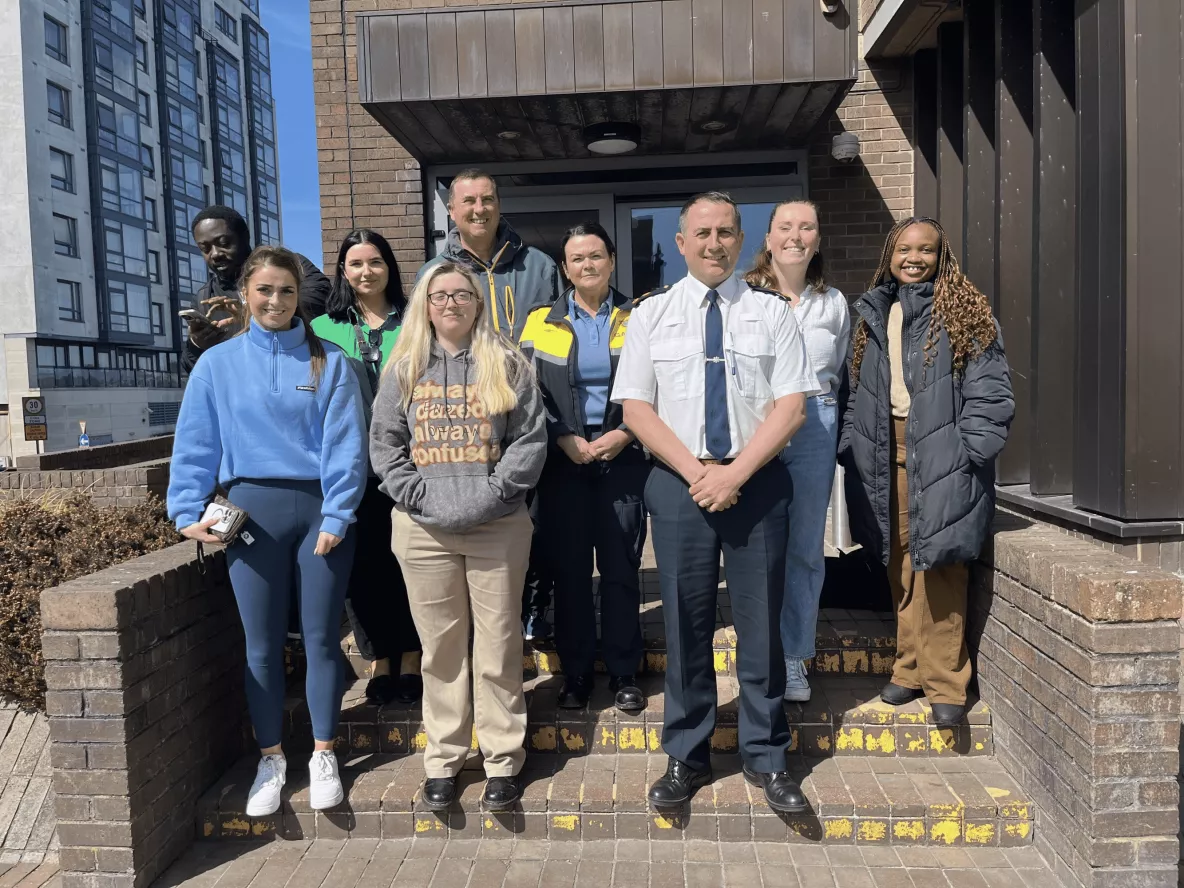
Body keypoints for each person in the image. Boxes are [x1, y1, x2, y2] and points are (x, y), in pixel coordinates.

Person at [612, 192, 818, 814]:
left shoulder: (772, 313)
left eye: (725, 232)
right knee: (685, 624)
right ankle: (687, 754)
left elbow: (792, 407)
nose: (713, 243)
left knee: (760, 628)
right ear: (680, 243)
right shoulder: (651, 315)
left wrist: (735, 474)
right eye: (700, 233)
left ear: (739, 238)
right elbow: (636, 409)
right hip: (680, 485)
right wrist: (699, 472)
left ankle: (767, 755)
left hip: (756, 483)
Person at [167, 246, 367, 818]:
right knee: (260, 643)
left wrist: (339, 514)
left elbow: (346, 447)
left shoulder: (328, 360)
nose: (275, 301)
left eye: (285, 291)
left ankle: (324, 754)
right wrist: (185, 511)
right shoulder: (218, 365)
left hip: (321, 513)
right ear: (245, 295)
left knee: (323, 637)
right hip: (251, 511)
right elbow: (196, 443)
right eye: (265, 290)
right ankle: (272, 758)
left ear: (297, 296)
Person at [370, 261, 547, 813]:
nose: (450, 303)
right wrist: (423, 499)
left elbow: (529, 442)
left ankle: (501, 760)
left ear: (478, 301)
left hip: (497, 527)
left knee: (498, 646)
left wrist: (488, 497)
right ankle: (443, 759)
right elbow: (385, 447)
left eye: (462, 294)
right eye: (439, 295)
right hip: (423, 531)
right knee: (441, 650)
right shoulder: (403, 367)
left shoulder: (507, 362)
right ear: (425, 304)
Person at [839, 216, 1013, 727]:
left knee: (941, 565)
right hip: (883, 452)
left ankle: (946, 683)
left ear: (943, 258)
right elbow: (855, 393)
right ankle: (910, 667)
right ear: (889, 256)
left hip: (943, 453)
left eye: (926, 250)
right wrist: (851, 443)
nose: (914, 258)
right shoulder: (874, 312)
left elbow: (992, 394)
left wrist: (968, 452)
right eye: (904, 249)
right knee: (900, 564)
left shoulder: (967, 314)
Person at [416, 169, 561, 642]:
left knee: (534, 525)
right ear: (452, 212)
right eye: (469, 201)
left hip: (527, 420)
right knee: (483, 527)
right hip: (463, 427)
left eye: (488, 199)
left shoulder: (538, 266)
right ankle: (493, 625)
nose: (479, 209)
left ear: (499, 204)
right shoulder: (434, 274)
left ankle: (535, 614)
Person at [519, 222, 650, 713]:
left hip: (623, 458)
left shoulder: (639, 316)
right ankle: (575, 674)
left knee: (620, 569)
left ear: (611, 260)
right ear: (564, 268)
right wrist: (561, 437)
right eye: (576, 259)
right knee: (570, 574)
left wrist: (627, 432)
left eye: (596, 255)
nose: (587, 265)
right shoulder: (538, 321)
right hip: (564, 464)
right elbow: (528, 392)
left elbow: (656, 385)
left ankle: (623, 672)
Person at [745, 200, 851, 703]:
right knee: (755, 545)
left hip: (816, 420)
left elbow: (842, 372)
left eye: (806, 226)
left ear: (817, 239)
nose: (795, 235)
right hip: (758, 422)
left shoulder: (833, 304)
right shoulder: (744, 298)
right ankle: (756, 652)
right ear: (768, 239)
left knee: (806, 548)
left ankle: (792, 658)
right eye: (784, 227)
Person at [311, 229, 422, 706]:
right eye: (355, 264)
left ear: (389, 267)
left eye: (375, 262)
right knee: (363, 568)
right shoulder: (321, 329)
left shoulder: (416, 322)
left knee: (410, 562)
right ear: (342, 271)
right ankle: (378, 659)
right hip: (352, 466)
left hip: (411, 463)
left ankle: (413, 656)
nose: (365, 272)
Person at [181, 206, 332, 374]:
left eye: (224, 243)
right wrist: (196, 345)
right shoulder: (205, 298)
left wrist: (249, 314)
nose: (215, 254)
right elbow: (193, 370)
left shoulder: (289, 265)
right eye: (205, 248)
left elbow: (318, 302)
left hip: (300, 374)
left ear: (244, 237)